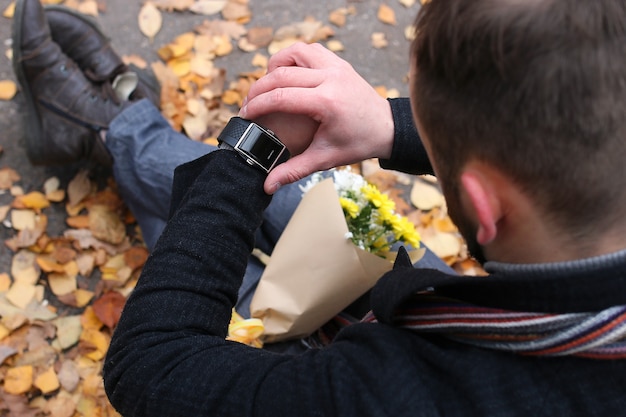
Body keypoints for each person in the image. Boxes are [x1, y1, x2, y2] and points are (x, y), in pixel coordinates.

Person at [12, 0, 626, 416]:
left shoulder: (391, 396)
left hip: (363, 364)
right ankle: (112, 128)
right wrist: (390, 126)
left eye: (433, 147)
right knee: (309, 200)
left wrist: (250, 152)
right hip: (477, 310)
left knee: (257, 255)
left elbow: (153, 363)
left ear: (479, 203)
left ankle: (111, 126)